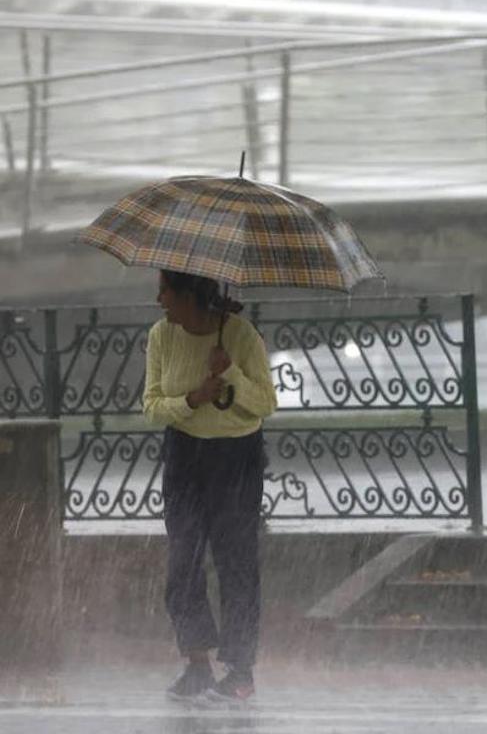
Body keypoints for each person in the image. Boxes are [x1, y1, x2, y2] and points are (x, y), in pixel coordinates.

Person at [143, 270, 277, 703]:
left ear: (190, 295)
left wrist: (232, 374)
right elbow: (151, 407)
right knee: (183, 561)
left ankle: (240, 670)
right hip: (184, 457)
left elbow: (266, 404)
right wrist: (193, 399)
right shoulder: (161, 336)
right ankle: (197, 664)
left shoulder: (240, 335)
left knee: (236, 563)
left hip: (235, 459)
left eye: (166, 290)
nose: (159, 298)